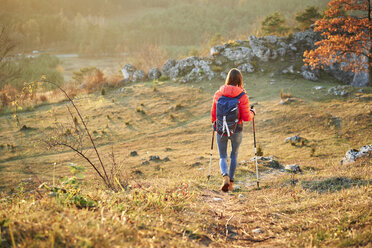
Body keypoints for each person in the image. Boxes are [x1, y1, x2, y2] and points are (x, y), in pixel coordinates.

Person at [211, 68, 255, 192]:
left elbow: (213, 113)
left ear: (228, 79)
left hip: (221, 129)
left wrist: (214, 123)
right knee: (234, 155)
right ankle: (230, 183)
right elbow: (246, 117)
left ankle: (225, 176)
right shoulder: (242, 95)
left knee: (223, 156)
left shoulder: (219, 93)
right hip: (236, 129)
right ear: (240, 80)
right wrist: (253, 113)